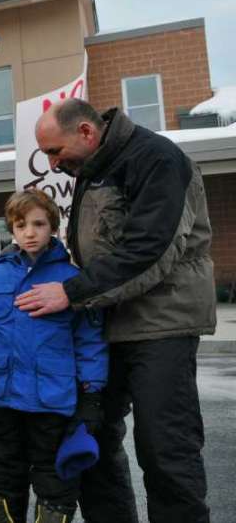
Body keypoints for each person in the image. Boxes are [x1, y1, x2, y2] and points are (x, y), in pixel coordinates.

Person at [22, 98, 216, 522]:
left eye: (55, 152)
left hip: (160, 325)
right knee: (88, 440)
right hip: (106, 325)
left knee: (166, 448)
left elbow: (150, 250)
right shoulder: (89, 170)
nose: (53, 165)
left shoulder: (158, 159)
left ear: (87, 133)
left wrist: (71, 292)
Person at [0, 189, 108, 523]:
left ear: (53, 227)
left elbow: (89, 340)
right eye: (20, 224)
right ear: (11, 229)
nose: (29, 232)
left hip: (53, 403)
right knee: (4, 477)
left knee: (55, 480)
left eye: (38, 224)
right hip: (3, 400)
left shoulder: (72, 281)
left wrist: (92, 394)